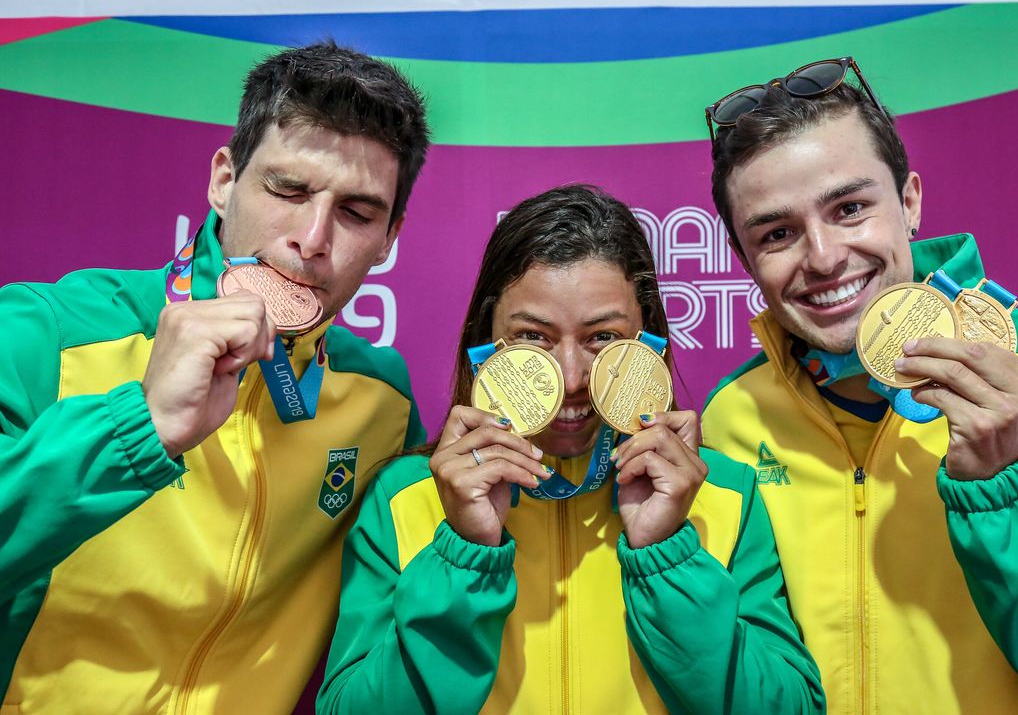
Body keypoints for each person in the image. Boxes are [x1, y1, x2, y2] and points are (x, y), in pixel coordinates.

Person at [0, 41, 430, 713]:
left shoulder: (384, 402)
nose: (313, 239)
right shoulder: (42, 332)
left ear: (389, 238)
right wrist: (136, 428)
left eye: (356, 213)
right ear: (224, 181)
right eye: (288, 190)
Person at [701, 57, 1018, 713]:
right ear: (743, 258)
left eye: (850, 208)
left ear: (909, 203)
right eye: (778, 233)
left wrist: (1008, 491)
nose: (823, 257)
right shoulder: (731, 417)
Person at [316, 184, 825, 714]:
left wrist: (668, 556)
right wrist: (464, 556)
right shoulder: (406, 496)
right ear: (485, 339)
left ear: (648, 341)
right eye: (533, 337)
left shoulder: (723, 492)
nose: (571, 378)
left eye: (603, 337)